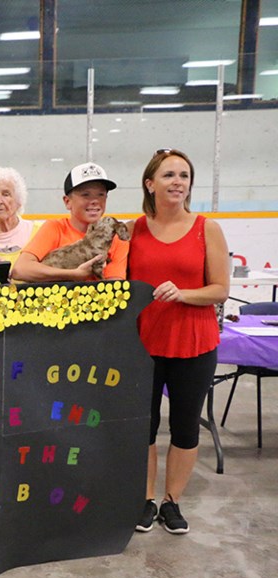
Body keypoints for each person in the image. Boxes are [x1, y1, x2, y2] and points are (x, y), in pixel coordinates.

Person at [128, 149, 229, 535]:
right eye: (168, 175)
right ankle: (146, 500)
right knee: (144, 426)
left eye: (184, 175)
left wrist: (184, 293)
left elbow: (220, 289)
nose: (177, 182)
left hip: (194, 343)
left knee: (185, 427)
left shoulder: (207, 228)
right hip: (144, 345)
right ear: (150, 183)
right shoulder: (134, 230)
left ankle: (172, 502)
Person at [11, 162, 128, 282]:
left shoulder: (116, 237)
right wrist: (73, 274)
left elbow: (115, 284)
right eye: (85, 195)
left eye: (101, 195)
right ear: (67, 202)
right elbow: (20, 270)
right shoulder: (55, 227)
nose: (94, 201)